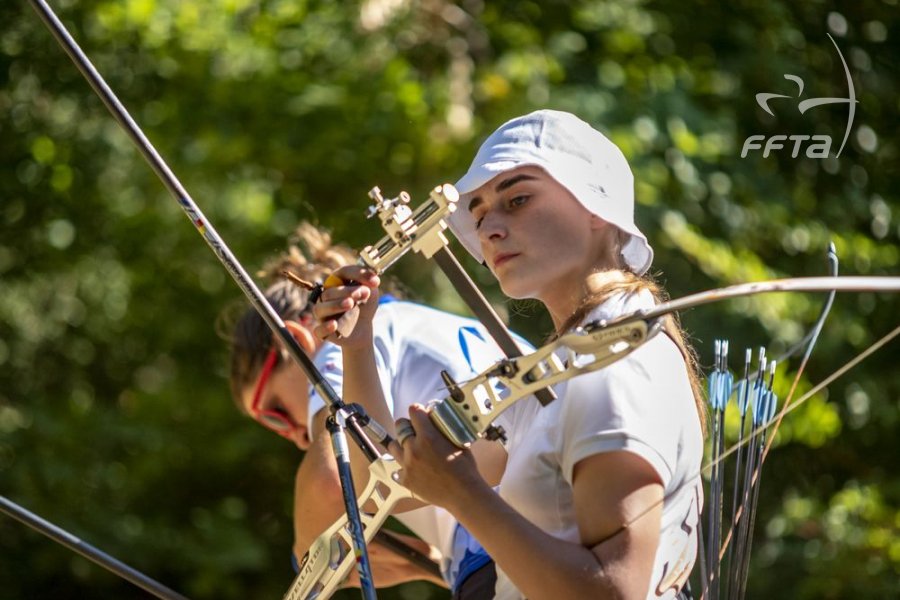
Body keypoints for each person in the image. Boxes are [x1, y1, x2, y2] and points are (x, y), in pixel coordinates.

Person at [314, 110, 706, 599]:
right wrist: (358, 344)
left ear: (596, 207)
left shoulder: (613, 363)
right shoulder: (563, 366)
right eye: (477, 215)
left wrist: (463, 494)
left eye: (517, 199)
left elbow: (616, 590)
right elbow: (392, 485)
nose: (489, 229)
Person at [227, 222, 526, 597]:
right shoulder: (434, 324)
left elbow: (331, 480)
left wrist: (307, 558)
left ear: (296, 341)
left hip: (500, 549)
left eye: (275, 412)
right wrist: (438, 567)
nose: (296, 435)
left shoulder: (338, 348)